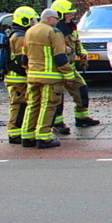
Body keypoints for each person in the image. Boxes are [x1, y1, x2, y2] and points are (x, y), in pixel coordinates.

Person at [20, 8, 75, 149]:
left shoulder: (29, 31)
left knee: (32, 105)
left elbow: (23, 57)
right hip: (50, 77)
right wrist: (69, 75)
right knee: (48, 106)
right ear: (50, 19)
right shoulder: (54, 32)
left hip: (32, 76)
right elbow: (60, 57)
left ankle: (27, 136)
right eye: (56, 18)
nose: (58, 21)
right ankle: (43, 137)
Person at [49, 0, 100, 133]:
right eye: (68, 13)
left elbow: (77, 43)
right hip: (56, 69)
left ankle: (82, 118)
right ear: (59, 14)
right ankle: (57, 123)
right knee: (57, 96)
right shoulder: (51, 30)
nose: (71, 16)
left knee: (81, 89)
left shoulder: (71, 28)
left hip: (70, 67)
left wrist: (82, 52)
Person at [4, 6, 39, 144]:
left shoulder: (19, 34)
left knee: (23, 104)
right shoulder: (19, 37)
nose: (34, 23)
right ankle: (14, 134)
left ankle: (19, 131)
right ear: (24, 20)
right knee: (18, 105)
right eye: (32, 20)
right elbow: (22, 60)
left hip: (19, 77)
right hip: (17, 78)